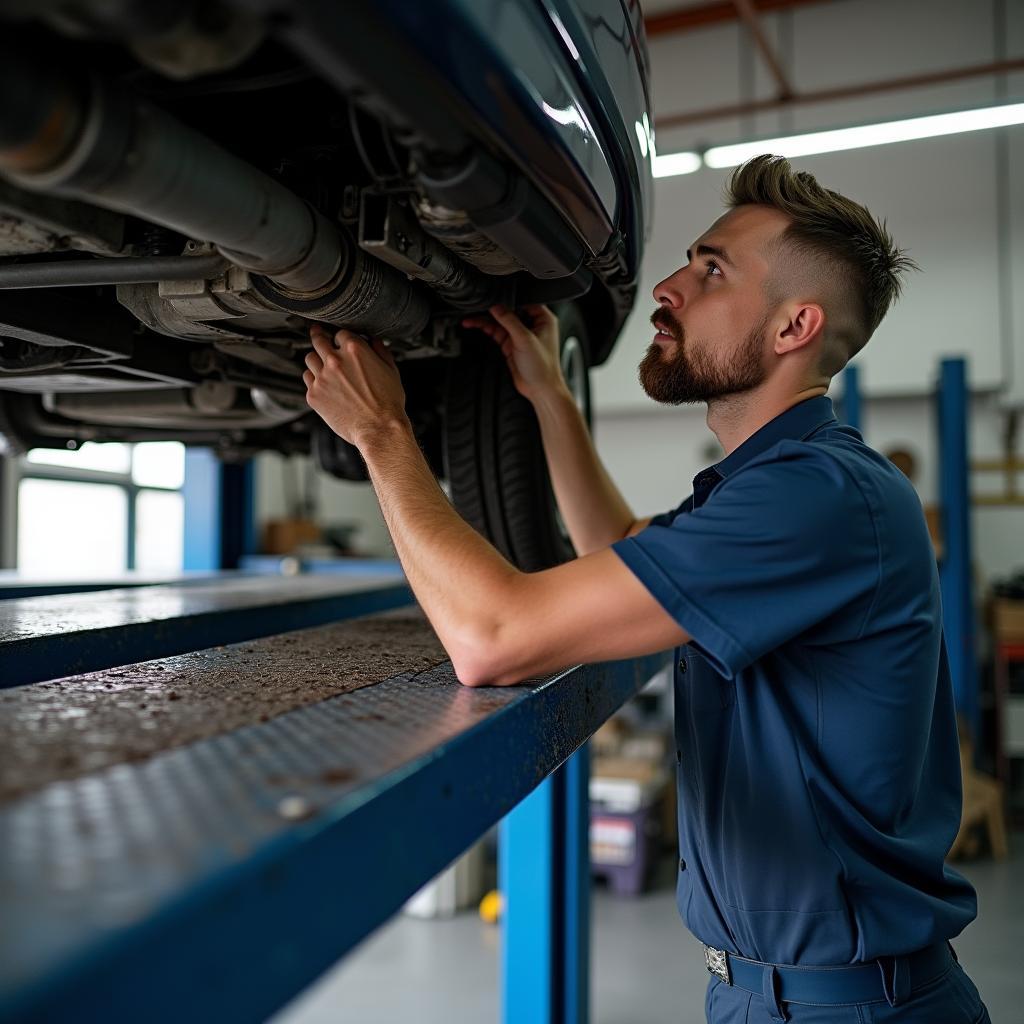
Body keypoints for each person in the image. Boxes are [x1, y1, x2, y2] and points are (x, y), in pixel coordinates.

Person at [301, 154, 989, 1023]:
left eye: (710, 271)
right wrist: (552, 398)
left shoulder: (817, 497)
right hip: (770, 994)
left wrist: (382, 431)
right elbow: (623, 549)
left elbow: (491, 639)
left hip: (843, 1008)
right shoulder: (773, 486)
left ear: (792, 328)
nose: (669, 284)